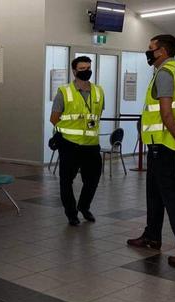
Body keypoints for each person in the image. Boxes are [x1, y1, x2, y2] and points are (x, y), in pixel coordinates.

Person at [127, 34, 175, 267]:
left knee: (171, 196)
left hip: (163, 143)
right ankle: (152, 236)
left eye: (151, 49)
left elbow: (167, 113)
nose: (148, 52)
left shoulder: (166, 73)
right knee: (154, 191)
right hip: (161, 142)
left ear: (162, 52)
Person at [50, 56, 105, 226]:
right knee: (66, 181)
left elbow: (98, 115)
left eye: (88, 67)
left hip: (91, 144)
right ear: (74, 71)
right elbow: (54, 118)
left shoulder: (98, 91)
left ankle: (84, 206)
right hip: (70, 144)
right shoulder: (64, 92)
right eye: (82, 69)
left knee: (93, 178)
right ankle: (71, 213)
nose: (86, 71)